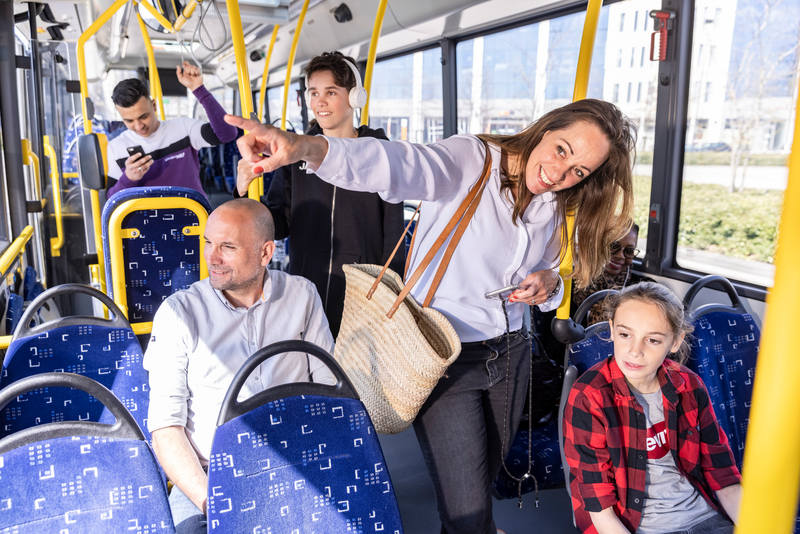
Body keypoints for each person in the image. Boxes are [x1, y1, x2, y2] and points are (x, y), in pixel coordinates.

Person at [225, 97, 636, 534]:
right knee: (468, 512)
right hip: (443, 358)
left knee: (480, 487)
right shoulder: (471, 159)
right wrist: (305, 147)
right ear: (547, 127)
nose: (559, 174)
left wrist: (548, 283)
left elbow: (555, 272)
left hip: (512, 354)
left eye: (578, 171)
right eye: (561, 150)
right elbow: (394, 164)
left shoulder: (559, 202)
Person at [143, 198, 335, 533]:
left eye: (227, 247)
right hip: (210, 474)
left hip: (294, 461)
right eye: (207, 243)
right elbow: (165, 429)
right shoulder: (178, 314)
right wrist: (213, 504)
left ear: (265, 253)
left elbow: (329, 395)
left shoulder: (303, 296)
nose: (211, 258)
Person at [236, 51, 405, 337]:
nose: (320, 102)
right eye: (314, 93)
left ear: (355, 98)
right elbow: (277, 224)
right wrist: (244, 192)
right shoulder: (294, 155)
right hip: (306, 283)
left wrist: (391, 291)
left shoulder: (381, 155)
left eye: (330, 92)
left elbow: (394, 235)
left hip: (363, 289)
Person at [563, 282, 743, 534]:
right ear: (612, 329)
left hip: (703, 517)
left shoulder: (689, 386)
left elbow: (723, 474)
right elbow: (599, 504)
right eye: (626, 335)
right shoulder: (590, 396)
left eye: (653, 340)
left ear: (676, 342)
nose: (635, 351)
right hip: (632, 525)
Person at [106, 61, 237, 198]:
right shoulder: (116, 147)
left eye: (143, 116)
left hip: (191, 213)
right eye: (129, 121)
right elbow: (110, 198)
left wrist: (199, 89)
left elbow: (227, 134)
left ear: (154, 105)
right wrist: (128, 178)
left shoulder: (183, 128)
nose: (139, 126)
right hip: (145, 217)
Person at [572, 223, 656, 325]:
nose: (620, 256)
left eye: (629, 250)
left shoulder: (644, 289)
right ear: (597, 244)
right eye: (613, 246)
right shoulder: (568, 286)